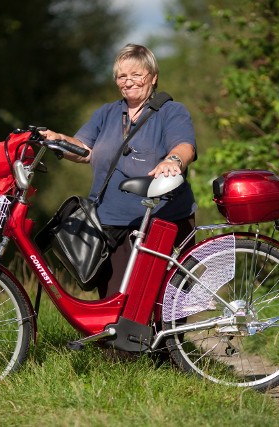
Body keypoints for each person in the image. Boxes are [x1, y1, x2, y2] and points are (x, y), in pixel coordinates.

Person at [40, 43, 197, 299]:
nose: (129, 81)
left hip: (161, 219)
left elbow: (184, 146)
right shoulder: (108, 113)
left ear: (153, 77)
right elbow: (84, 150)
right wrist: (57, 138)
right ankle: (119, 340)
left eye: (137, 74)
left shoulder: (171, 111)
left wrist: (173, 160)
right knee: (115, 303)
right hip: (110, 223)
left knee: (161, 301)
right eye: (122, 76)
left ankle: (168, 340)